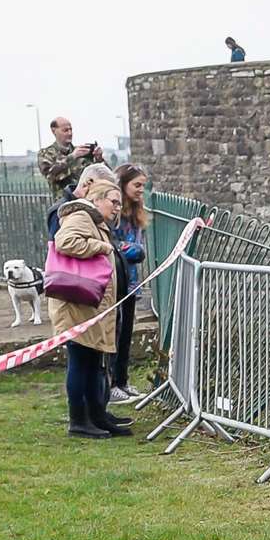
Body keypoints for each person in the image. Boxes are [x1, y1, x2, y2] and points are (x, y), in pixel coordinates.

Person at [49, 179, 133, 439]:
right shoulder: (82, 216)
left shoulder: (95, 221)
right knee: (81, 362)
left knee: (93, 362)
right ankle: (79, 420)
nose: (118, 208)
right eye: (113, 201)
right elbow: (65, 241)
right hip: (77, 306)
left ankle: (96, 415)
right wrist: (101, 246)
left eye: (119, 203)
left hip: (90, 307)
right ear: (96, 199)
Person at [109, 164, 150, 401]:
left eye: (143, 186)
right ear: (123, 184)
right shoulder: (115, 215)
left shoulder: (136, 214)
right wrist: (136, 250)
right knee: (115, 333)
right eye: (136, 185)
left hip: (132, 282)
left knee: (126, 334)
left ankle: (123, 380)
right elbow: (115, 247)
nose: (140, 191)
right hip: (117, 280)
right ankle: (112, 382)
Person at [37, 117, 103, 200]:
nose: (70, 133)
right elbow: (51, 175)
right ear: (54, 131)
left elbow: (101, 175)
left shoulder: (82, 153)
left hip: (87, 203)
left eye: (71, 130)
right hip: (64, 204)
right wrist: (72, 157)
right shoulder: (46, 154)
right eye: (65, 130)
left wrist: (99, 159)